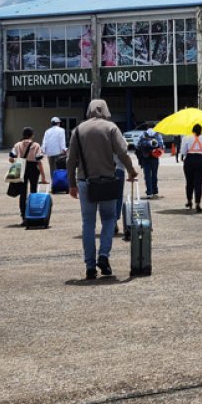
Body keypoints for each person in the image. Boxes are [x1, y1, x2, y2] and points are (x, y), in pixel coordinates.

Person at [67, 99, 138, 280]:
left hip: (85, 182)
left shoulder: (78, 130)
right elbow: (123, 153)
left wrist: (71, 184)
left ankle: (90, 266)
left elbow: (70, 160)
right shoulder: (111, 128)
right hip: (108, 181)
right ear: (106, 109)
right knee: (109, 219)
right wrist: (131, 171)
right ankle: (104, 256)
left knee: (88, 224)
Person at [9, 127, 44, 220]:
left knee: (22, 193)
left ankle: (23, 215)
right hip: (33, 168)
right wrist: (43, 177)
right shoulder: (36, 145)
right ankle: (32, 214)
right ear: (32, 135)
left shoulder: (17, 145)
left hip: (21, 168)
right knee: (33, 192)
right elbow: (39, 160)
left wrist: (14, 161)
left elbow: (11, 157)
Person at [180, 123, 202, 213]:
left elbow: (183, 151)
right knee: (199, 182)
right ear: (201, 131)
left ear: (192, 130)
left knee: (189, 182)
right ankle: (198, 203)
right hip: (200, 160)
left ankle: (189, 201)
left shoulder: (186, 138)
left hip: (189, 159)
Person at [136, 128, 164, 199]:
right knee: (154, 174)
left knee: (147, 175)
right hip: (155, 157)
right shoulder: (158, 135)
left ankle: (149, 192)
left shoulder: (143, 134)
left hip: (145, 158)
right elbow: (161, 146)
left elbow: (138, 145)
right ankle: (155, 191)